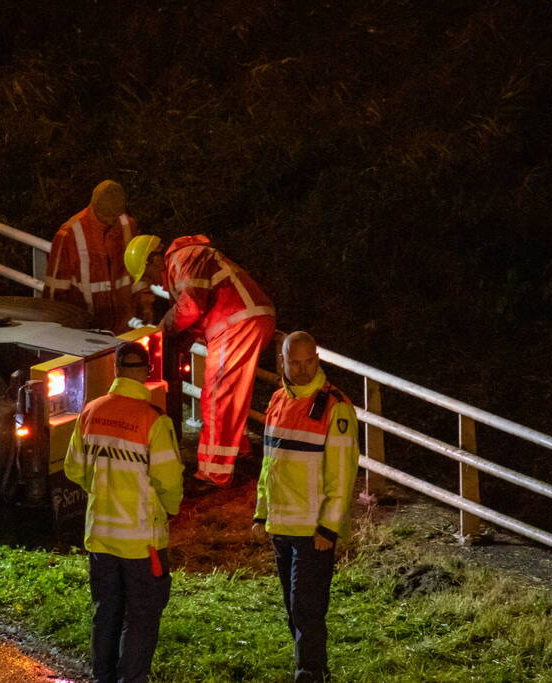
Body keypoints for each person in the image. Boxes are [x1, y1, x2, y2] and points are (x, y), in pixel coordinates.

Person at [64, 341, 184, 683]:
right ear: (146, 373)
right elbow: (169, 481)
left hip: (100, 537)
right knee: (142, 617)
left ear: (115, 371)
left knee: (106, 614)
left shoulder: (91, 411)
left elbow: (74, 469)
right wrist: (170, 509)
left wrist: (101, 488)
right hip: (142, 544)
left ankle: (102, 678)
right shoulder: (153, 421)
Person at [124, 233, 275, 487]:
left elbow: (191, 306)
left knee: (218, 395)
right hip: (238, 320)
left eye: (149, 276)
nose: (155, 284)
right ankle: (237, 450)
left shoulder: (182, 258)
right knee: (229, 394)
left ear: (154, 260)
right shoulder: (185, 260)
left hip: (236, 321)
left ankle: (213, 473)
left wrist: (162, 329)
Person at [251, 331, 359, 683]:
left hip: (313, 531)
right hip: (281, 526)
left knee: (306, 610)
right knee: (293, 610)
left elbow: (342, 473)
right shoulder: (278, 400)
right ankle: (313, 670)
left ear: (317, 359)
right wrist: (261, 511)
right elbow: (270, 464)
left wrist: (329, 527)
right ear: (282, 361)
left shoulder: (334, 405)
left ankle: (309, 674)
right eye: (294, 362)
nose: (301, 368)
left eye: (308, 361)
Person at [45, 180, 149, 333]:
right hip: (88, 329)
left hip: (126, 325)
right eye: (105, 216)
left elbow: (139, 271)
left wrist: (145, 304)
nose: (110, 221)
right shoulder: (69, 234)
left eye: (114, 216)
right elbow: (56, 290)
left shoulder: (128, 225)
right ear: (93, 206)